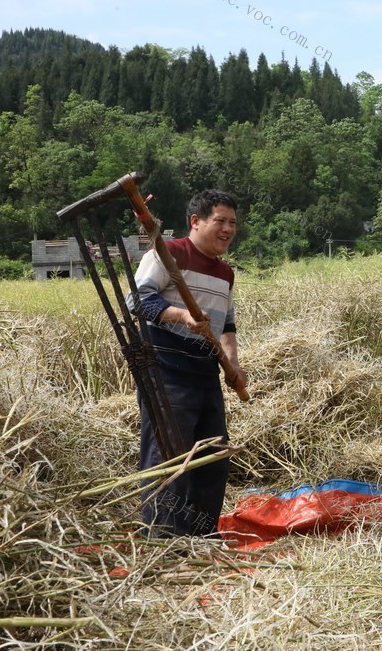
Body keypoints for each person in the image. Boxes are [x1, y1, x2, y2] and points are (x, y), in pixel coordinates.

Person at [130, 189, 247, 537]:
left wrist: (233, 362)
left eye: (233, 223)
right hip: (166, 370)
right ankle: (162, 541)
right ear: (196, 222)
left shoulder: (225, 273)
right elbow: (137, 300)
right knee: (169, 458)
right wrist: (181, 315)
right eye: (220, 221)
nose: (228, 229)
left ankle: (201, 536)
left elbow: (226, 323)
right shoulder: (168, 255)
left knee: (212, 458)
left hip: (205, 373)